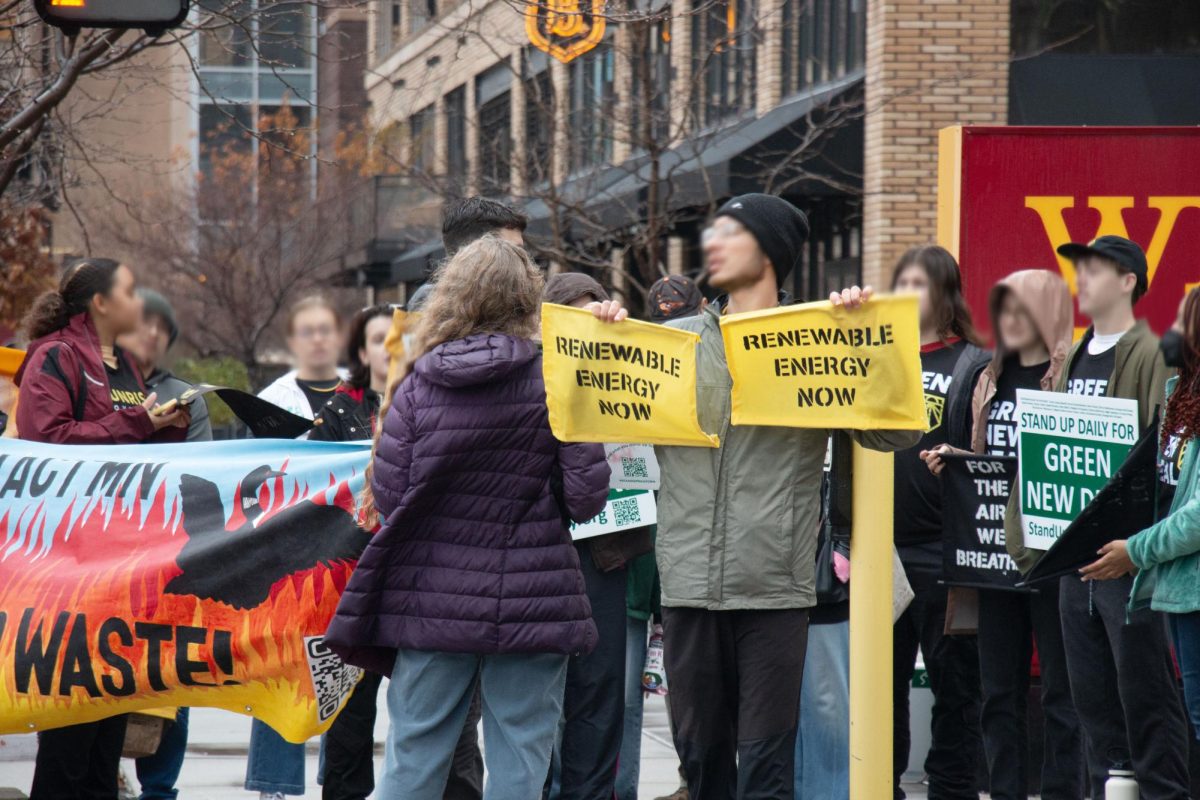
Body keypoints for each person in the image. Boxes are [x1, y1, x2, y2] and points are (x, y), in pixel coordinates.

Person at [590, 193, 919, 799]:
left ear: (770, 253)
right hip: (688, 585)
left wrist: (865, 342)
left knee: (766, 773)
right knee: (702, 765)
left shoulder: (818, 338)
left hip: (774, 590)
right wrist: (600, 338)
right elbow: (590, 419)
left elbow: (895, 429)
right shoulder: (677, 342)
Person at [324, 236, 611, 799]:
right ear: (528, 298)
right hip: (536, 598)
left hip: (432, 599)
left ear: (452, 297)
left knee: (413, 761)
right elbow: (585, 500)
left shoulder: (416, 386)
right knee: (522, 765)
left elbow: (390, 494)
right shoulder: (556, 379)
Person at [1007, 236, 1188, 799]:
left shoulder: (1153, 355)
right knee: (1090, 703)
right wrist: (1028, 543)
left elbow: (1165, 461)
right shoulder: (1075, 356)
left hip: (1128, 567)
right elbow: (1048, 451)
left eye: (1094, 270)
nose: (1080, 280)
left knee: (1145, 698)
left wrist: (1136, 549)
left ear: (1129, 280)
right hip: (1073, 564)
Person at [15, 257, 189, 799]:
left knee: (106, 739)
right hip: (69, 572)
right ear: (101, 302)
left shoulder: (127, 368)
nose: (140, 302)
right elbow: (49, 444)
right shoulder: (55, 357)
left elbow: (128, 452)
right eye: (131, 291)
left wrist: (165, 431)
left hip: (120, 569)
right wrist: (139, 422)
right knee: (69, 739)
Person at [921, 270, 1083, 799]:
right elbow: (984, 458)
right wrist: (953, 461)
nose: (1009, 322)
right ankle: (1007, 791)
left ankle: (1061, 791)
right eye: (1003, 310)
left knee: (1061, 692)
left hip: (1054, 556)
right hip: (992, 558)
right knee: (999, 691)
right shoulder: (985, 377)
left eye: (1020, 310)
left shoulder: (1072, 374)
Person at [543, 272, 654, 800]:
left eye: (595, 313)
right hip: (539, 557)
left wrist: (622, 341)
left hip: (605, 555)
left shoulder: (622, 368)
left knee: (600, 692)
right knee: (538, 700)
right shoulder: (529, 375)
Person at [1081, 287, 1200, 771]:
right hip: (1180, 590)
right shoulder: (1180, 396)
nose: (1175, 331)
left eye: (1185, 321)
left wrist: (1135, 550)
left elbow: (1195, 517)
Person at [888, 245, 986, 799]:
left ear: (945, 292)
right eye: (900, 283)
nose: (907, 293)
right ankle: (884, 786)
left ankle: (951, 789)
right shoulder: (881, 359)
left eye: (919, 284)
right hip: (884, 551)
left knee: (957, 685)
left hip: (949, 550)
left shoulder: (974, 365)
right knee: (883, 686)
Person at [247, 294, 348, 799]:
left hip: (348, 551)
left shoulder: (365, 393)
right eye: (306, 330)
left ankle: (341, 781)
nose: (316, 338)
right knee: (280, 669)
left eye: (324, 328)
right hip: (288, 556)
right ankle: (275, 787)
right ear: (292, 341)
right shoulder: (271, 400)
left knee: (344, 672)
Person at [618, 275, 706, 800]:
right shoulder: (639, 372)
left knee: (692, 679)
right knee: (636, 690)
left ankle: (692, 780)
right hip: (640, 553)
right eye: (663, 322)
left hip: (689, 549)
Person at [310, 304, 392, 800]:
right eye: (380, 339)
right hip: (347, 589)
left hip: (411, 585)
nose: (392, 348)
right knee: (348, 724)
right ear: (361, 352)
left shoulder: (430, 399)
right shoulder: (339, 412)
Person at [120, 288, 213, 443]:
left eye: (163, 328)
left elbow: (200, 464)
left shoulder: (187, 398)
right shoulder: (94, 384)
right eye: (144, 321)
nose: (154, 333)